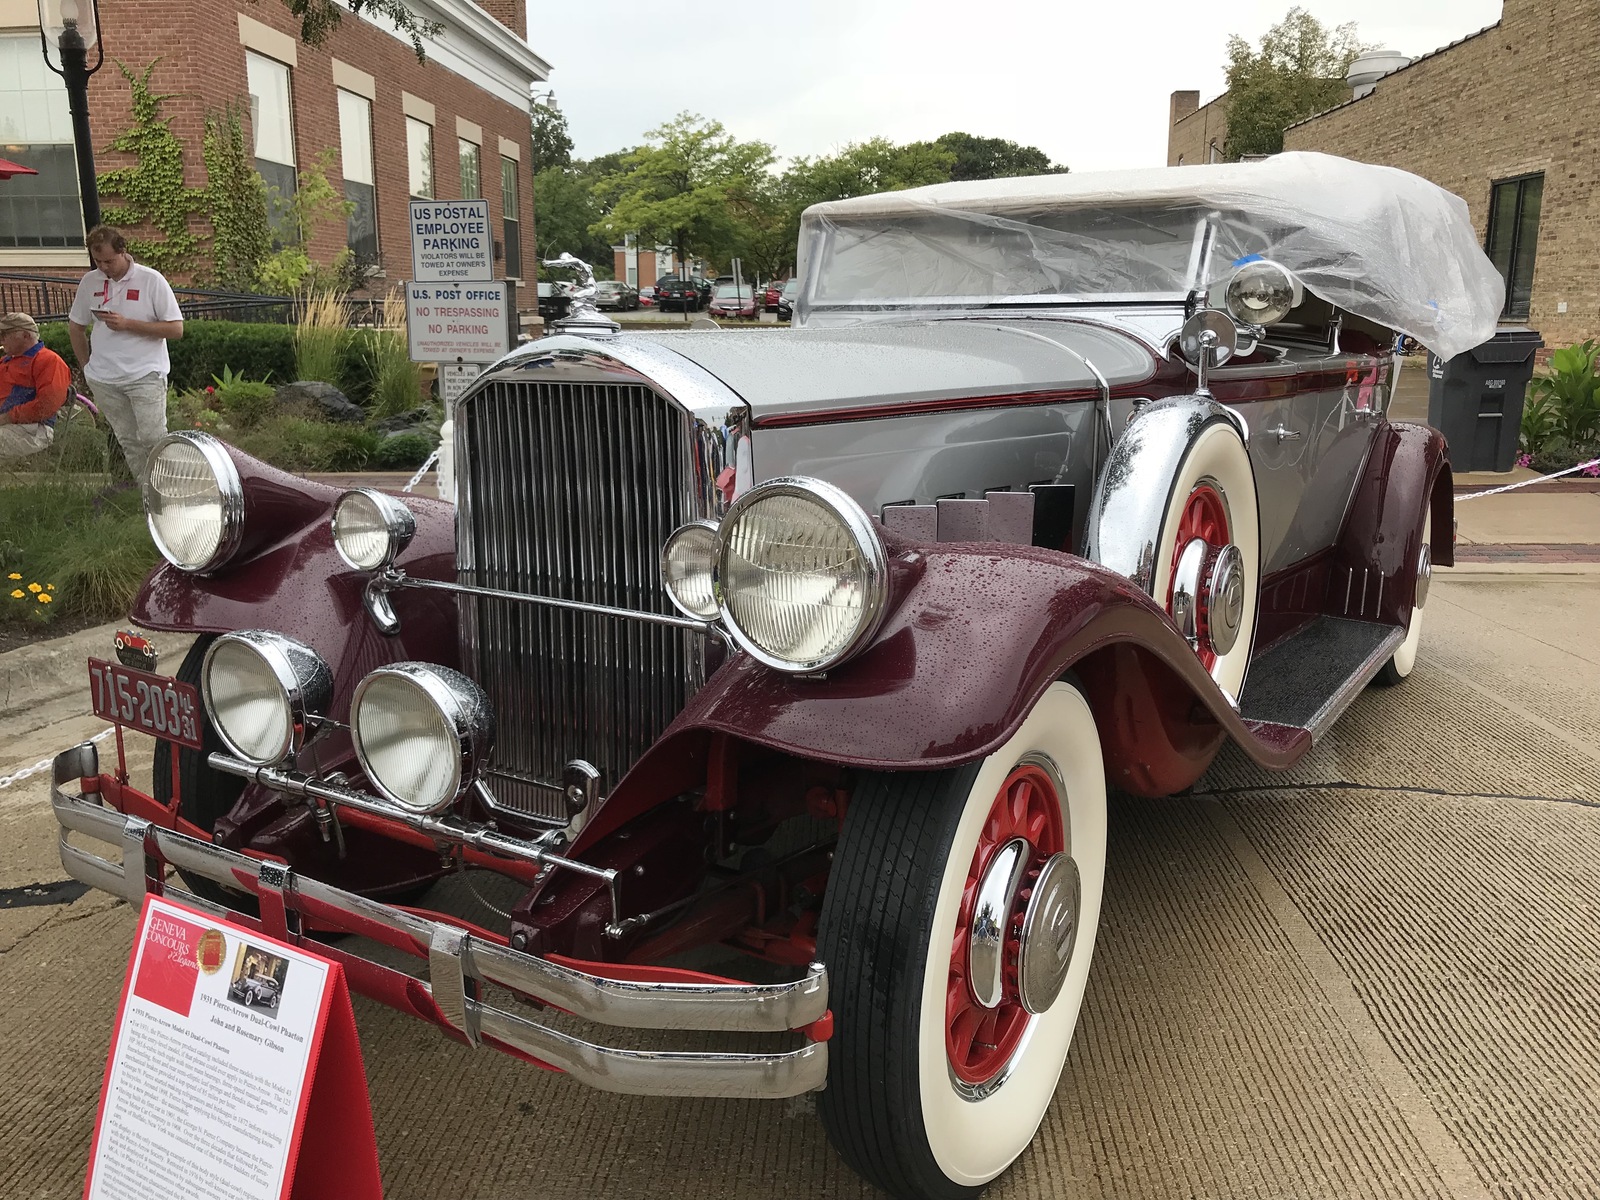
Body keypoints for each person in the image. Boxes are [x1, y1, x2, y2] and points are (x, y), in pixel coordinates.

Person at [68, 225, 183, 485]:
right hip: (104, 378)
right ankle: (148, 495)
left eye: (109, 260)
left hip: (145, 374)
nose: (104, 267)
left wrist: (128, 324)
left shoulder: (151, 280)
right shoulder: (90, 281)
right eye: (98, 261)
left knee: (153, 437)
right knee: (128, 439)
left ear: (123, 251)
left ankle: (171, 490)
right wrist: (87, 367)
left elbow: (176, 329)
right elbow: (76, 326)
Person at [0, 312, 71, 462]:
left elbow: (46, 406)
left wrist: (7, 417)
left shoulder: (48, 360)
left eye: (5, 333)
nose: (2, 339)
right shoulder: (5, 362)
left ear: (26, 336)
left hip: (34, 429)